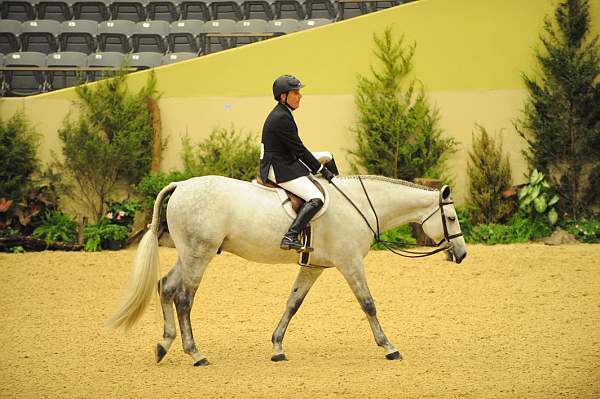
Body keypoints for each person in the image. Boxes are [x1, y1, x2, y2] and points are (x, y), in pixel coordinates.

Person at [260, 74, 335, 252]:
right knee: (316, 198)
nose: (300, 96)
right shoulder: (281, 118)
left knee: (327, 156)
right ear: (283, 96)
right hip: (278, 168)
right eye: (296, 93)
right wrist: (321, 170)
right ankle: (290, 236)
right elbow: (299, 150)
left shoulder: (283, 113)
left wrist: (322, 167)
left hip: (284, 161)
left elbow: (296, 150)